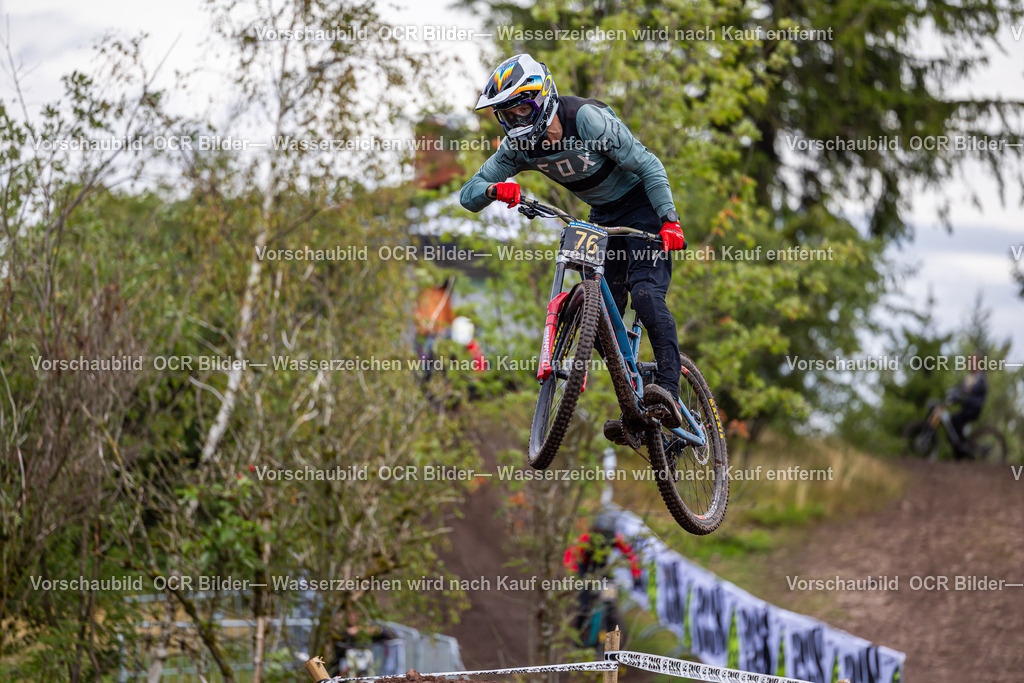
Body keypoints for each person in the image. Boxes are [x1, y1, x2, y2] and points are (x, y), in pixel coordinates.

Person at [459, 53, 687, 433]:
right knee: (598, 321)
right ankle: (636, 406)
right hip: (602, 216)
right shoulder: (519, 148)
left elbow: (649, 164)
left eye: (523, 109)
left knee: (646, 293)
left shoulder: (585, 119)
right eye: (507, 115)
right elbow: (468, 194)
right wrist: (496, 189)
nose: (517, 121)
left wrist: (670, 220)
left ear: (544, 96)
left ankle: (669, 389)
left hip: (644, 208)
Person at [948, 355, 988, 459]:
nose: (971, 365)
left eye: (973, 363)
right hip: (967, 407)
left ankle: (964, 446)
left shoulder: (981, 378)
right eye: (970, 363)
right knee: (953, 420)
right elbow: (962, 389)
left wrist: (969, 390)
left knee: (957, 419)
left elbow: (977, 390)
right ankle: (960, 449)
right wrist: (953, 392)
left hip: (974, 408)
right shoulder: (969, 378)